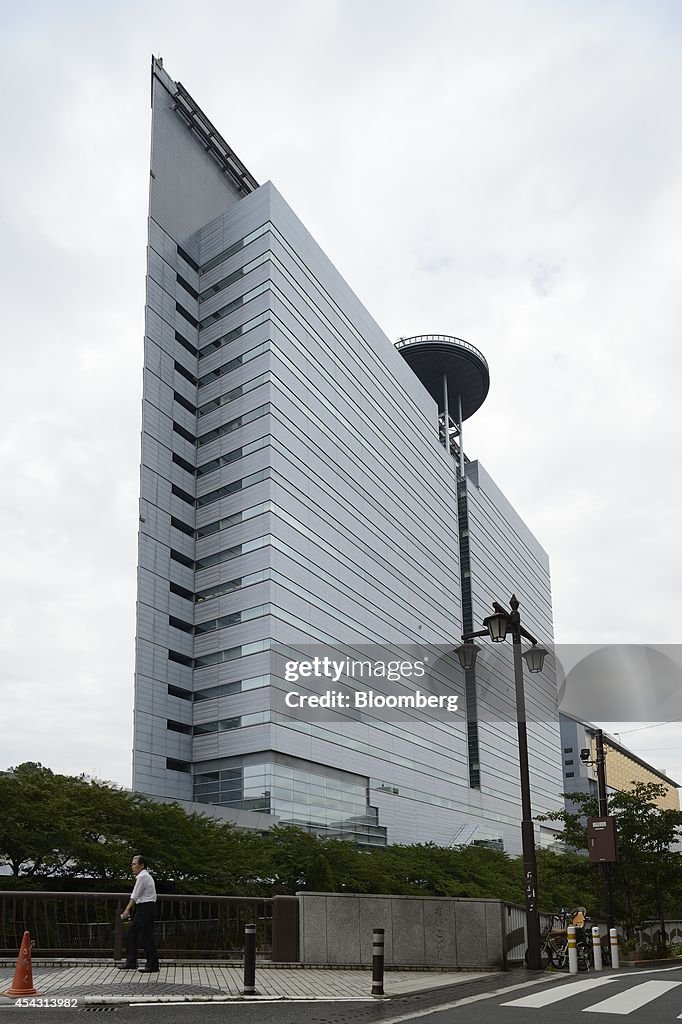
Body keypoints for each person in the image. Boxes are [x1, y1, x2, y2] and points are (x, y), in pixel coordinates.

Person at [118, 854, 160, 973]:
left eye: (134, 864)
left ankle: (139, 963)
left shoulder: (142, 877)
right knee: (144, 935)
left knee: (136, 934)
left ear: (141, 865)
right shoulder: (146, 876)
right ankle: (147, 963)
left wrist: (127, 909)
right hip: (147, 907)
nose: (132, 866)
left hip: (145, 908)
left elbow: (135, 895)